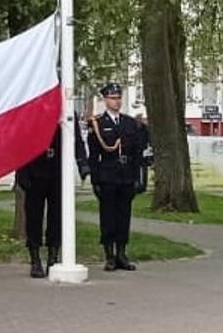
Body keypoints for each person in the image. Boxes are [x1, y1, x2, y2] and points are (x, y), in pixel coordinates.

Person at [83, 83, 152, 272]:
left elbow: (138, 153)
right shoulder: (97, 123)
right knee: (108, 216)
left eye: (119, 98)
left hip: (126, 176)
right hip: (107, 176)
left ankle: (122, 252)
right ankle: (109, 255)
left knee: (124, 215)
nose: (117, 101)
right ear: (105, 100)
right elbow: (94, 156)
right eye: (113, 98)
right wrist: (95, 179)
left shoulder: (130, 123)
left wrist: (138, 176)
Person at [16, 124, 66, 278]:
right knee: (33, 218)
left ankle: (53, 257)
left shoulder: (63, 122)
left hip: (57, 176)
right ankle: (35, 259)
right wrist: (22, 175)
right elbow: (21, 149)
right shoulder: (33, 121)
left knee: (56, 218)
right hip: (34, 176)